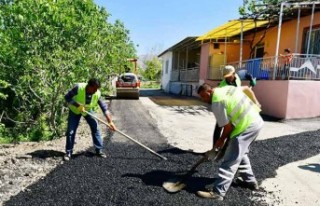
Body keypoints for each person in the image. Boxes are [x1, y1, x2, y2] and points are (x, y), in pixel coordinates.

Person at [196, 83, 264, 201]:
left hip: (245, 126)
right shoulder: (227, 89)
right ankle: (250, 182)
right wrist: (256, 102)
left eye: (203, 97)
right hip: (256, 121)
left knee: (230, 159)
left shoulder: (217, 102)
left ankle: (218, 193)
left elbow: (227, 127)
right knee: (241, 154)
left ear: (209, 92)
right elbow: (246, 88)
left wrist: (221, 141)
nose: (203, 100)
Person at [64, 78, 116, 161]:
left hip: (87, 110)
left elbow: (104, 108)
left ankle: (99, 150)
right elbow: (67, 97)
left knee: (95, 127)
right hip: (74, 110)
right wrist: (78, 105)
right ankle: (68, 152)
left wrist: (110, 122)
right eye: (94, 88)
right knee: (71, 131)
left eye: (97, 89)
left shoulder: (97, 93)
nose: (96, 91)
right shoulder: (79, 88)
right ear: (89, 86)